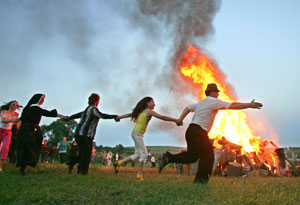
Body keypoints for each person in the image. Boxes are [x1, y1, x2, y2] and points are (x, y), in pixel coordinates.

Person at [159, 83, 263, 184]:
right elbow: (233, 105)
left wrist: (180, 119)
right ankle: (200, 182)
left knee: (192, 157)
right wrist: (249, 105)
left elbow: (188, 107)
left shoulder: (201, 103)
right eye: (217, 92)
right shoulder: (214, 101)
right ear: (212, 92)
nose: (218, 94)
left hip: (191, 131)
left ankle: (168, 158)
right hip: (199, 132)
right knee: (208, 156)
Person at [113, 96, 182, 181]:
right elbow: (163, 117)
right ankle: (139, 176)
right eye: (152, 102)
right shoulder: (149, 111)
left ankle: (118, 163)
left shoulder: (140, 111)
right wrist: (176, 120)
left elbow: (128, 115)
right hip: (137, 134)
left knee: (137, 155)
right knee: (144, 154)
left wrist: (119, 117)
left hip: (136, 133)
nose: (154, 104)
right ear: (147, 103)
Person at [66, 93, 118, 175]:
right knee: (85, 155)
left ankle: (73, 163)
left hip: (82, 135)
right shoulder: (93, 110)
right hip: (84, 135)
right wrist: (114, 116)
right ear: (97, 101)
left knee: (85, 154)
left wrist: (69, 118)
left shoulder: (87, 110)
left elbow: (78, 115)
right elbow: (102, 115)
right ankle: (82, 172)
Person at [16, 94, 64, 175]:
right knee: (29, 147)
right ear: (36, 99)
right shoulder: (33, 107)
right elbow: (46, 113)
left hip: (33, 129)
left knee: (34, 145)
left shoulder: (32, 108)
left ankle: (26, 164)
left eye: (43, 99)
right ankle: (24, 165)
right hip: (27, 130)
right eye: (41, 98)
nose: (42, 100)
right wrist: (59, 115)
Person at [0, 101, 21, 172]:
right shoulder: (3, 112)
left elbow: (15, 124)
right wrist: (13, 120)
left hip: (8, 132)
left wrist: (18, 124)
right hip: (0, 130)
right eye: (13, 104)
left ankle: (0, 166)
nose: (15, 106)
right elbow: (3, 120)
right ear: (9, 105)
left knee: (5, 148)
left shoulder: (16, 114)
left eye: (16, 105)